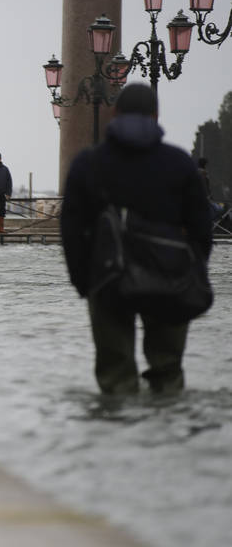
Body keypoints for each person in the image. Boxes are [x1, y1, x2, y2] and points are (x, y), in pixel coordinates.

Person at [60, 84, 212, 395]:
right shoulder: (180, 163)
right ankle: (166, 439)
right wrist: (191, 272)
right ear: (156, 116)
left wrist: (83, 282)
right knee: (168, 376)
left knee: (116, 382)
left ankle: (118, 440)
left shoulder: (88, 164)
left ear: (114, 114)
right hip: (171, 279)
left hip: (107, 279)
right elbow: (202, 229)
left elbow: (71, 230)